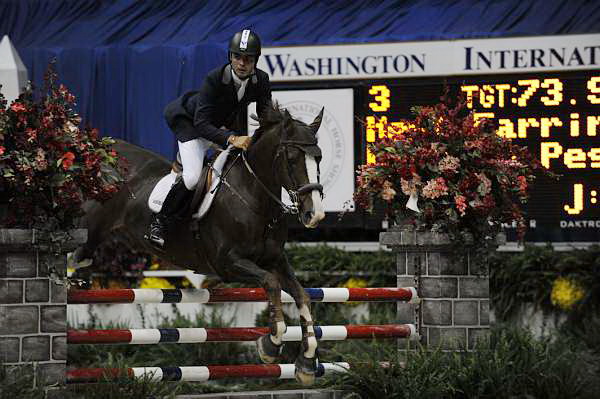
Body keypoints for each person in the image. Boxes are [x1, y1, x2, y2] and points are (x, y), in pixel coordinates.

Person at [147, 29, 273, 248]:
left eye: (248, 59)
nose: (242, 63)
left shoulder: (261, 80)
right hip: (190, 123)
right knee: (193, 178)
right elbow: (201, 124)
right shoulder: (214, 79)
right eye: (237, 57)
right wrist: (232, 138)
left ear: (255, 61)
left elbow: (266, 115)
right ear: (230, 57)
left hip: (220, 126)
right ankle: (160, 223)